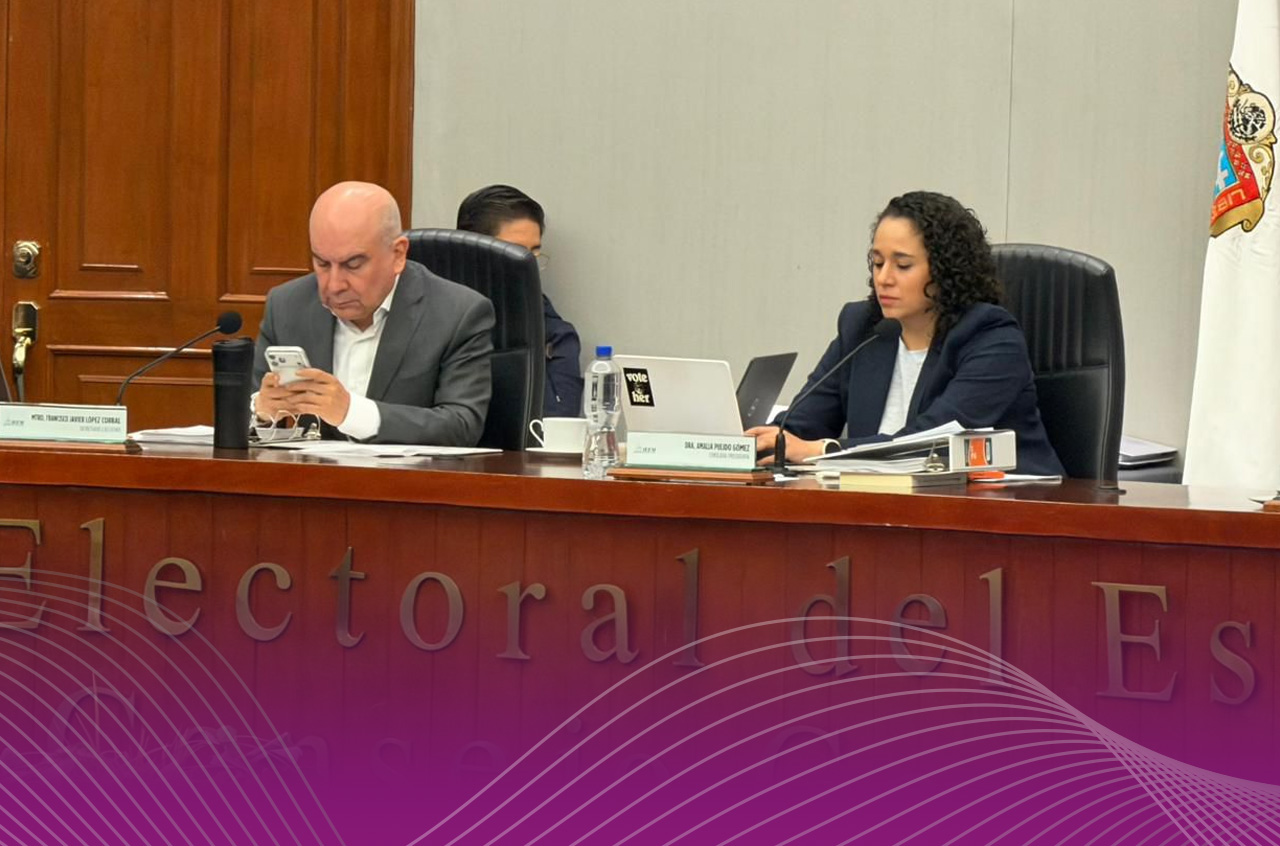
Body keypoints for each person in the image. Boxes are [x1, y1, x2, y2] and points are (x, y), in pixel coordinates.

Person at [748, 191, 1064, 476]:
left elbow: (931, 444)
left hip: (1005, 508)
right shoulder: (863, 328)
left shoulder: (991, 338)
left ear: (944, 271)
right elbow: (800, 427)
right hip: (884, 501)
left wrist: (823, 450)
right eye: (877, 263)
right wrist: (759, 444)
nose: (884, 278)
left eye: (902, 265)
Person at [252, 181, 494, 445]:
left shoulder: (457, 314)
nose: (334, 285)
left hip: (406, 472)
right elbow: (242, 414)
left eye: (353, 264)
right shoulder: (287, 305)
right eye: (322, 263)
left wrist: (351, 413)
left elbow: (462, 426)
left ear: (398, 254)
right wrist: (261, 413)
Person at [456, 185, 584, 418]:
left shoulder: (554, 334)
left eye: (533, 255)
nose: (528, 267)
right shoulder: (432, 315)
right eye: (514, 252)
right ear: (473, 251)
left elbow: (558, 421)